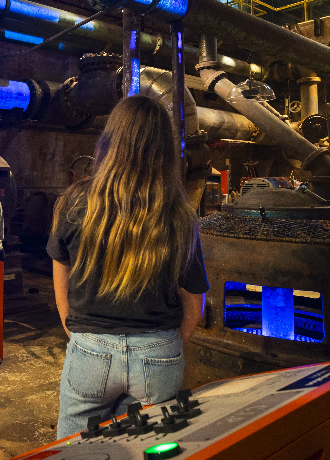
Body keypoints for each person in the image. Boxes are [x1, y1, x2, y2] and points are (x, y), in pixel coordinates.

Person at [47, 96, 209, 439]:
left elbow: (59, 260)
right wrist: (164, 345)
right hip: (158, 352)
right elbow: (195, 306)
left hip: (90, 348)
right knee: (147, 447)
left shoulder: (75, 202)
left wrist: (68, 321)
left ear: (110, 141)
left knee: (75, 448)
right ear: (163, 150)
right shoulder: (180, 215)